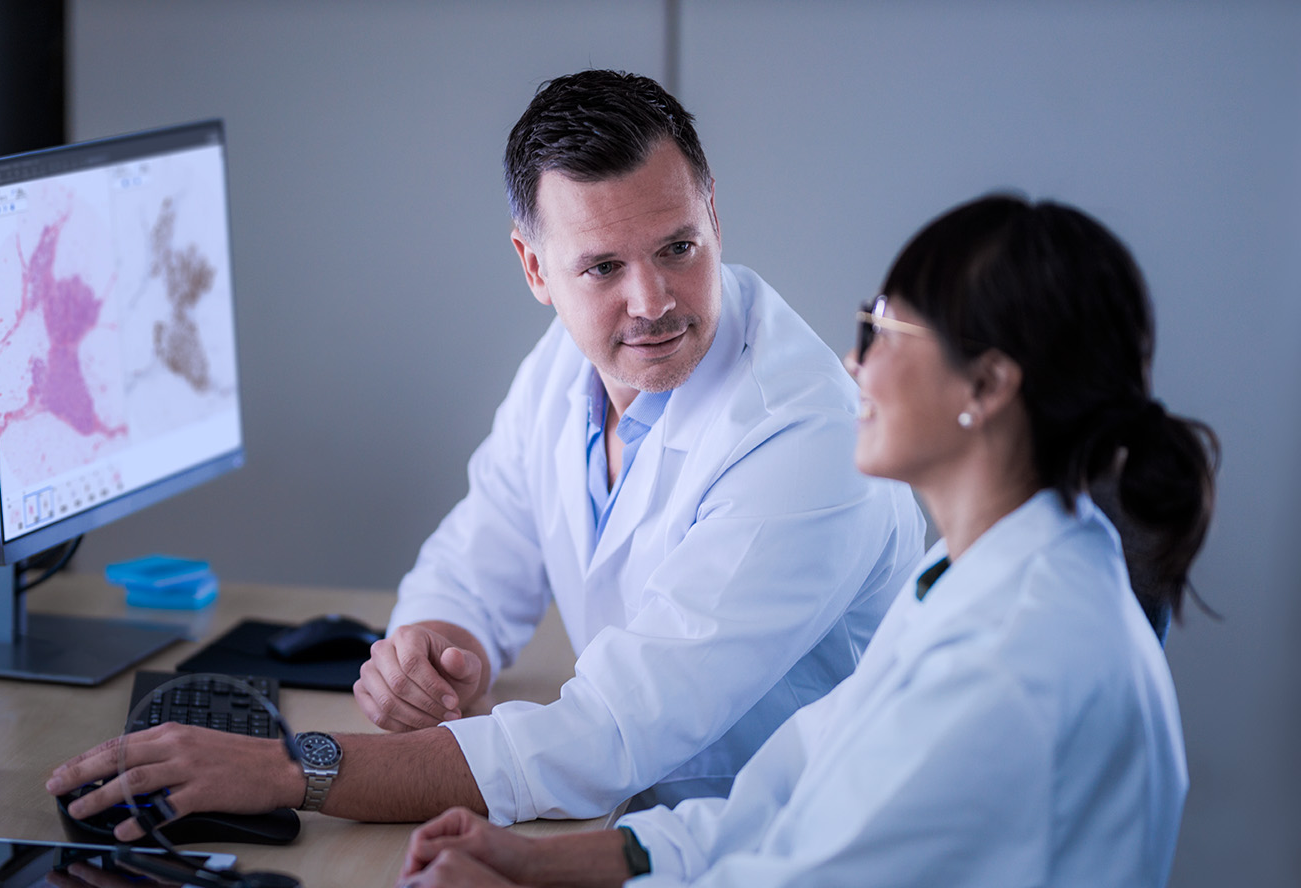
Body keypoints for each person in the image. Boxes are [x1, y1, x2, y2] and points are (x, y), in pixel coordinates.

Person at [369, 194, 1218, 888]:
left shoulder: (1019, 660)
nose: (855, 366)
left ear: (989, 386)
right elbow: (775, 804)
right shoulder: (974, 579)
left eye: (886, 331)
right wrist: (533, 864)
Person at [47, 70, 922, 829]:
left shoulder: (806, 438)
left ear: (714, 214)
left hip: (776, 866)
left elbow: (608, 733)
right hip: (642, 831)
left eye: (677, 248)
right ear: (535, 269)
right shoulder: (570, 365)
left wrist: (291, 769)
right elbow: (480, 553)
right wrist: (431, 649)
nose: (651, 301)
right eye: (601, 268)